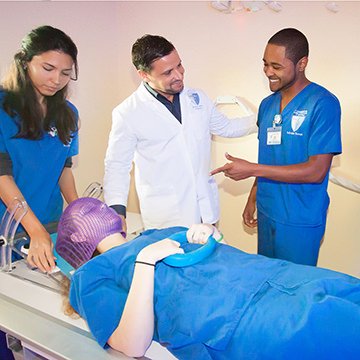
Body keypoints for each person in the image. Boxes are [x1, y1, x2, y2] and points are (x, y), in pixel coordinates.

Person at [56, 198, 360, 360]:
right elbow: (131, 344)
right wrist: (146, 263)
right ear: (79, 239)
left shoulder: (154, 232)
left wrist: (210, 235)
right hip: (245, 320)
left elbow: (213, 255)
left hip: (276, 276)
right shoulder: (89, 277)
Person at [211, 28, 341, 266]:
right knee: (268, 281)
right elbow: (269, 159)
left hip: (300, 218)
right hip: (268, 210)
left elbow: (316, 171)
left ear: (302, 63)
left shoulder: (323, 104)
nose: (268, 72)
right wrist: (253, 196)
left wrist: (252, 170)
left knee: (293, 288)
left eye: (277, 66)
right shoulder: (267, 105)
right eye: (265, 64)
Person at [103, 34, 256, 230]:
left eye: (179, 65)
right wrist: (117, 213)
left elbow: (227, 127)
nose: (179, 75)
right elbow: (117, 166)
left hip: (206, 211)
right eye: (168, 72)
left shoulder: (196, 98)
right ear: (144, 74)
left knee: (210, 258)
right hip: (167, 218)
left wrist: (265, 118)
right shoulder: (128, 113)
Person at [0, 25, 80, 274]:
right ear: (25, 62)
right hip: (8, 228)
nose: (57, 80)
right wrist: (35, 230)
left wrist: (78, 213)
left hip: (49, 221)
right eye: (48, 68)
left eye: (66, 73)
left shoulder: (68, 113)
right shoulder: (3, 108)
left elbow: (63, 168)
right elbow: (2, 176)